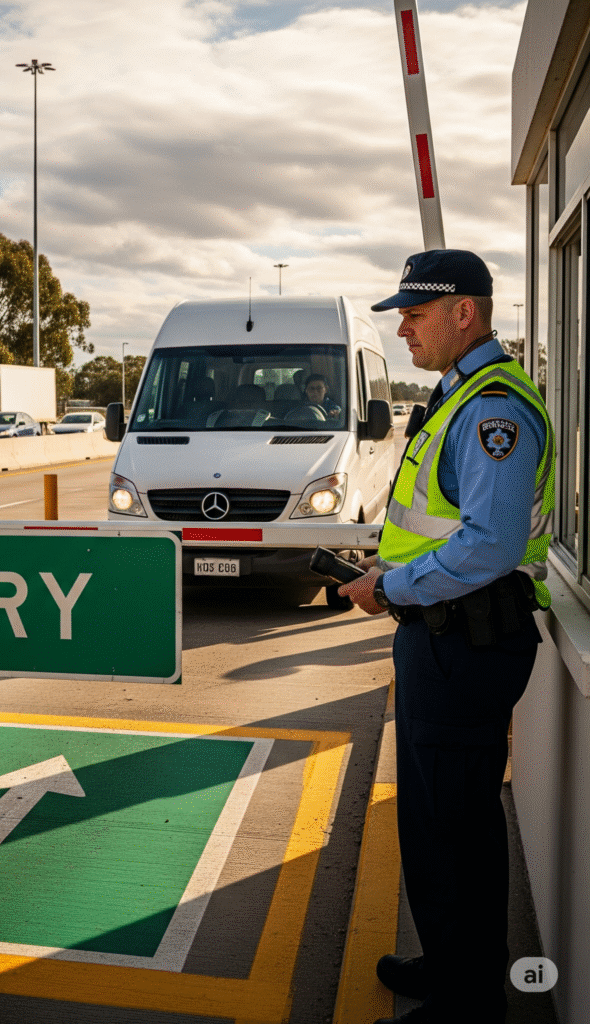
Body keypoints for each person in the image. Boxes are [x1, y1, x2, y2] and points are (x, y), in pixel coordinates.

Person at [337, 249, 554, 1024]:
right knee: (435, 818)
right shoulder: (459, 393)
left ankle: (468, 1000)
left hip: (465, 641)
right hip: (445, 636)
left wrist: (389, 585)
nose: (402, 329)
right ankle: (453, 963)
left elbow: (489, 545)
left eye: (415, 314)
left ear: (466, 312)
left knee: (453, 823)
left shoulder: (492, 409)